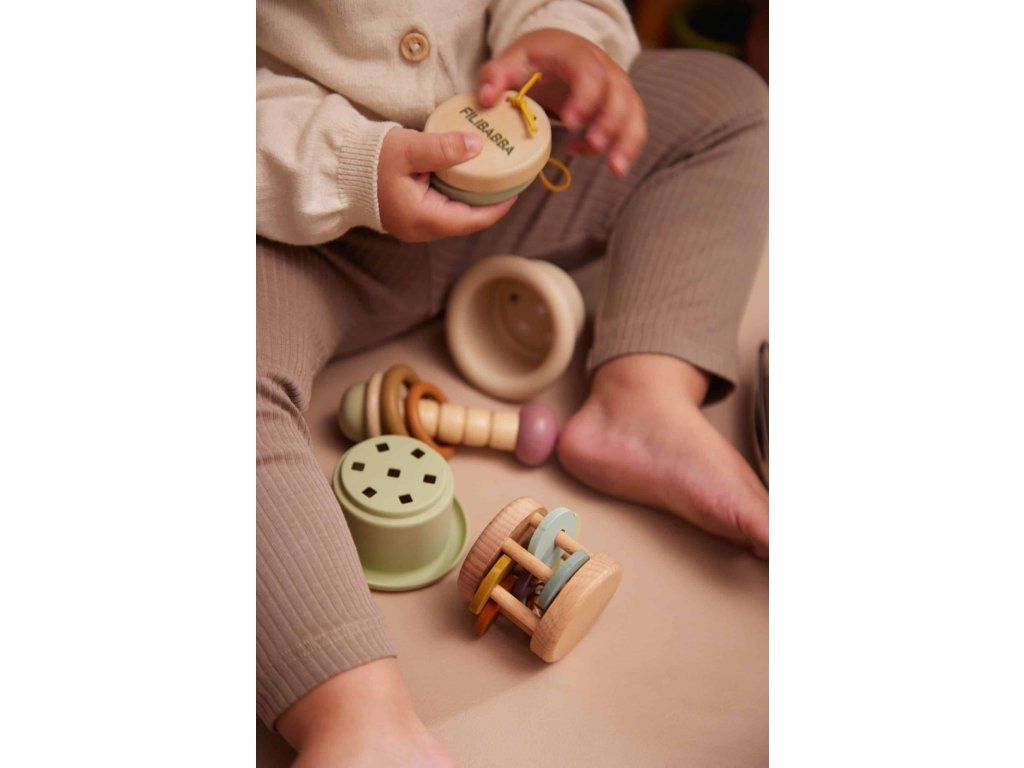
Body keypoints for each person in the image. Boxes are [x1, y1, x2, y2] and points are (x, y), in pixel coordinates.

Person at [257, 1, 768, 764]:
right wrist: (347, 163)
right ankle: (356, 715)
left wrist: (563, 38)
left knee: (725, 104)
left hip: (515, 166)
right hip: (300, 231)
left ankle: (646, 395)